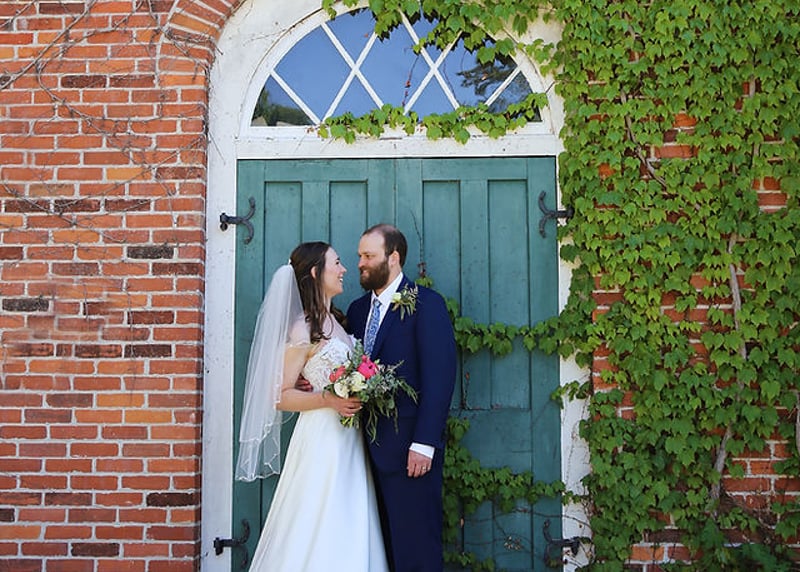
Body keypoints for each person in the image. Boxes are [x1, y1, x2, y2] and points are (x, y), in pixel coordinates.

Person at [236, 241, 389, 572]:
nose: (344, 269)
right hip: (322, 439)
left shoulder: (338, 323)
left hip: (349, 438)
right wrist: (327, 399)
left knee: (349, 517)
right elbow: (279, 396)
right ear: (317, 272)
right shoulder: (302, 327)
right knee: (320, 518)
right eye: (337, 262)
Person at [346, 224, 457, 572]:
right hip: (359, 454)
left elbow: (439, 377)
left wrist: (424, 443)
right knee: (379, 551)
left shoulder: (427, 305)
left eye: (369, 256)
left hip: (409, 451)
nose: (360, 263)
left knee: (416, 548)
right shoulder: (357, 310)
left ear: (393, 258)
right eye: (360, 256)